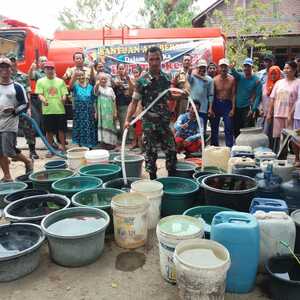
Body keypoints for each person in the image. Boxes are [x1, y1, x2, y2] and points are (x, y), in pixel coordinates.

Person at [124, 46, 178, 180]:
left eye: (157, 59)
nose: (154, 62)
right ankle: (153, 179)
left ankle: (171, 178)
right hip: (149, 123)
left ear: (162, 59)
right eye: (151, 59)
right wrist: (127, 120)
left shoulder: (166, 77)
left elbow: (168, 96)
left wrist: (182, 95)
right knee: (150, 153)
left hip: (164, 122)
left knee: (171, 150)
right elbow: (134, 102)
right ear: (147, 60)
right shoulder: (142, 81)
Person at [0, 57, 33, 181]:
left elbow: (25, 104)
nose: (4, 69)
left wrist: (14, 110)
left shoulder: (17, 86)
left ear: (11, 69)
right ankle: (7, 176)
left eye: (7, 67)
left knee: (9, 151)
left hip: (9, 121)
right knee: (0, 152)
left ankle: (28, 161)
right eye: (1, 67)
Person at [8, 54, 39, 159]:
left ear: (17, 62)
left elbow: (28, 94)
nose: (12, 63)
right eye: (10, 61)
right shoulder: (3, 77)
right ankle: (15, 153)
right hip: (8, 110)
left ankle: (32, 151)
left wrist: (29, 108)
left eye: (14, 61)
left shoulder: (24, 76)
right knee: (11, 131)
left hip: (22, 108)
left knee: (28, 129)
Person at [35, 61, 68, 157]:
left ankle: (63, 147)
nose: (49, 70)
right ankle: (50, 149)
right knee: (48, 131)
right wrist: (43, 100)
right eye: (47, 68)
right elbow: (39, 94)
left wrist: (64, 98)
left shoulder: (60, 81)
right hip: (47, 110)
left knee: (61, 130)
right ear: (44, 70)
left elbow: (64, 93)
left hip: (60, 109)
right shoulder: (40, 81)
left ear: (54, 69)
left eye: (51, 68)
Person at [267, 61, 300, 153]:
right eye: (285, 68)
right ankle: (279, 157)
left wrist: (290, 114)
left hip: (291, 116)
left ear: (294, 70)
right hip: (278, 114)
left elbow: (298, 100)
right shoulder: (279, 83)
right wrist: (270, 113)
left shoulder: (298, 82)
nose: (285, 70)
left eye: (288, 68)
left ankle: (295, 158)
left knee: (292, 137)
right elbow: (272, 98)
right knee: (277, 137)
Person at [231, 58, 262, 137]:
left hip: (247, 108)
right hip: (237, 107)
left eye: (248, 66)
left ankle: (246, 147)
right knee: (236, 128)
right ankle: (237, 146)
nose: (246, 68)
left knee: (247, 129)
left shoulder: (257, 80)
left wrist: (253, 109)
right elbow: (234, 73)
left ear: (252, 68)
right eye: (245, 66)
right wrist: (232, 67)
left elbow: (258, 96)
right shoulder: (240, 76)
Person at [210, 58, 235, 147]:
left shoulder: (232, 79)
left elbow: (233, 95)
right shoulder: (214, 80)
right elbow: (212, 95)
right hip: (216, 103)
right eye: (222, 67)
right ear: (219, 68)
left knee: (228, 127)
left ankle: (229, 147)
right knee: (214, 127)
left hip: (227, 104)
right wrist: (210, 108)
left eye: (225, 67)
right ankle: (214, 147)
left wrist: (233, 108)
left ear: (228, 68)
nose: (223, 69)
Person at [69, 70, 97, 148]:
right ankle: (81, 144)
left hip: (89, 111)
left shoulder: (91, 87)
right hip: (79, 111)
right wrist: (74, 75)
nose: (81, 77)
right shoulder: (75, 86)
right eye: (79, 76)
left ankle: (90, 144)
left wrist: (95, 112)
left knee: (89, 126)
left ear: (85, 76)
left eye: (82, 75)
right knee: (80, 127)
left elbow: (94, 100)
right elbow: (70, 86)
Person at [188, 59, 214, 137]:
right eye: (200, 67)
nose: (202, 69)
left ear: (206, 68)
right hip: (192, 108)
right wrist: (189, 73)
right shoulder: (192, 77)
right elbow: (188, 79)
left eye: (204, 67)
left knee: (202, 129)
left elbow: (211, 95)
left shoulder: (209, 80)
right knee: (190, 127)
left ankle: (202, 145)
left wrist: (210, 108)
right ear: (197, 68)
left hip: (203, 108)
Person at [258, 66, 281, 148]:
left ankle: (275, 153)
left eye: (275, 74)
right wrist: (260, 108)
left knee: (276, 136)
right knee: (265, 134)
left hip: (277, 114)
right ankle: (265, 153)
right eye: (271, 74)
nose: (273, 76)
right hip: (265, 114)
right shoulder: (264, 86)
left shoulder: (281, 85)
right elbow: (260, 98)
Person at [94, 73, 118, 149]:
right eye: (102, 79)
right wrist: (97, 84)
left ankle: (111, 143)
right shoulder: (98, 88)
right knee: (102, 127)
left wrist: (115, 112)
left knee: (111, 126)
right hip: (101, 112)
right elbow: (95, 92)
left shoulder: (110, 89)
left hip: (110, 112)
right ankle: (104, 143)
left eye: (105, 79)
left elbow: (114, 101)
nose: (103, 80)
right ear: (99, 80)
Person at [112, 63, 133, 139]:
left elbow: (132, 89)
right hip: (120, 103)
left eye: (122, 68)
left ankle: (131, 138)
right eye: (119, 68)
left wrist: (129, 80)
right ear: (117, 70)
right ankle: (125, 138)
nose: (121, 70)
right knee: (122, 122)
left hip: (129, 103)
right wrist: (115, 84)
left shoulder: (129, 78)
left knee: (130, 121)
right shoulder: (114, 79)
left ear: (125, 69)